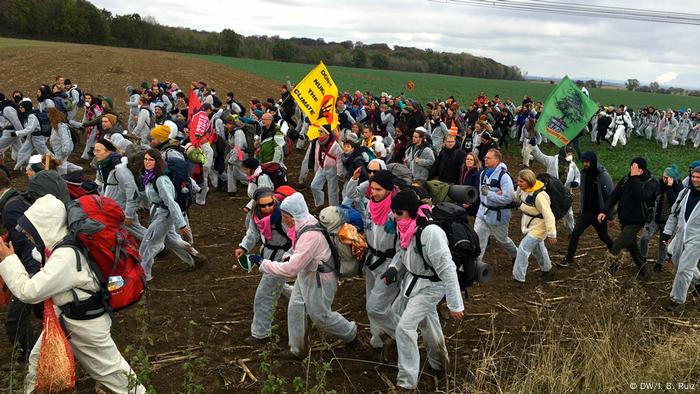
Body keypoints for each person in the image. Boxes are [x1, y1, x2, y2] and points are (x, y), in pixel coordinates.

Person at [0, 194, 146, 394]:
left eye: (30, 229)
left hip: (83, 325)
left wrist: (8, 260)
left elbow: (28, 292)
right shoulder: (61, 245)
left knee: (113, 372)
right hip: (67, 317)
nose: (26, 234)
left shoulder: (66, 257)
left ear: (44, 226)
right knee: (39, 359)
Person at [256, 192, 358, 359]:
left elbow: (291, 270)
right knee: (296, 307)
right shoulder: (305, 222)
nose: (284, 220)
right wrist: (289, 256)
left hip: (320, 279)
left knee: (321, 317)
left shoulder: (310, 235)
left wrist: (264, 264)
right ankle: (297, 349)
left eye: (285, 216)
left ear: (293, 215)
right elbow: (300, 255)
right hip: (308, 274)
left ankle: (350, 333)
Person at [384, 189, 463, 390]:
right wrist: (394, 268)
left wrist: (455, 304)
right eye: (393, 211)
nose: (394, 216)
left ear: (410, 211)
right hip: (413, 281)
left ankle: (407, 382)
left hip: (431, 286)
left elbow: (448, 268)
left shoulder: (431, 233)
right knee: (424, 323)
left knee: (404, 328)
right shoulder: (406, 227)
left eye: (398, 212)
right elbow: (402, 252)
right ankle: (440, 364)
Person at [234, 188, 293, 342]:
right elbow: (252, 233)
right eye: (263, 205)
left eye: (270, 204)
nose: (267, 208)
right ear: (256, 205)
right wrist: (243, 247)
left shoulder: (282, 215)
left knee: (264, 294)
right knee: (277, 286)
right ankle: (304, 301)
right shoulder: (255, 216)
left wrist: (290, 257)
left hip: (281, 256)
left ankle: (261, 334)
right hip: (267, 253)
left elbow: (295, 236)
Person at [139, 149, 200, 281]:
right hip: (158, 213)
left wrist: (182, 224)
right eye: (145, 159)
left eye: (151, 160)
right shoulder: (150, 176)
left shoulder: (161, 180)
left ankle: (144, 275)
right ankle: (194, 258)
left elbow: (171, 203)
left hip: (164, 215)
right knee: (171, 240)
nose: (147, 162)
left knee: (149, 243)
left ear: (157, 162)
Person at [357, 170, 402, 351]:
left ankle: (402, 334)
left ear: (389, 190)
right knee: (372, 300)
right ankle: (378, 338)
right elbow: (351, 196)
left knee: (376, 306)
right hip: (371, 260)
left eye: (378, 189)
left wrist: (395, 267)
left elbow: (403, 244)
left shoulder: (396, 211)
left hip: (388, 263)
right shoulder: (369, 206)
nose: (373, 192)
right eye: (372, 188)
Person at [598, 157, 658, 278]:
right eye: (632, 168)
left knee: (617, 245)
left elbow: (641, 196)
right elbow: (614, 196)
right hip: (625, 219)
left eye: (637, 169)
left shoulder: (651, 183)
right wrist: (604, 211)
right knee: (632, 247)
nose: (633, 171)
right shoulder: (626, 179)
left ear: (643, 170)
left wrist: (635, 177)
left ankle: (609, 274)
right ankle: (644, 272)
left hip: (637, 221)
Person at [561, 151, 614, 267]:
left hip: (599, 214)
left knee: (604, 236)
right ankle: (569, 258)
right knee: (575, 234)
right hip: (586, 213)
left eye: (587, 162)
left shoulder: (603, 175)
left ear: (593, 161)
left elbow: (610, 196)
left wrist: (609, 216)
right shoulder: (584, 173)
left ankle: (615, 253)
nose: (585, 164)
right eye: (584, 162)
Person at [662, 166, 700, 311]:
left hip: (697, 239)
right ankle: (698, 282)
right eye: (693, 176)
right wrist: (667, 232)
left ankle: (676, 301)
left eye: (698, 177)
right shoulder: (684, 193)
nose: (695, 179)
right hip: (680, 236)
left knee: (684, 269)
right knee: (678, 262)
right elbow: (674, 214)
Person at [93, 138, 146, 240]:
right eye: (94, 150)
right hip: (111, 204)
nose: (95, 153)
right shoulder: (102, 164)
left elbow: (131, 189)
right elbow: (100, 182)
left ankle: (158, 245)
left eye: (98, 151)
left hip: (121, 206)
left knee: (134, 228)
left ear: (108, 151)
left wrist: (129, 214)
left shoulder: (119, 168)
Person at [512, 169, 557, 283]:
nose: (519, 184)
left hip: (539, 228)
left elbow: (549, 215)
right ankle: (547, 270)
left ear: (529, 181)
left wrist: (552, 234)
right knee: (538, 249)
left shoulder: (540, 196)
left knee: (523, 249)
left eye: (521, 182)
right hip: (528, 224)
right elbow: (516, 198)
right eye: (518, 181)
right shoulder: (522, 189)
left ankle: (518, 278)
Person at [474, 149, 518, 265]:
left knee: (503, 240)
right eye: (485, 157)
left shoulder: (504, 177)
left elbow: (508, 198)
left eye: (488, 158)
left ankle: (516, 254)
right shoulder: (483, 173)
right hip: (482, 212)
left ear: (497, 160)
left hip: (498, 215)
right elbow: (481, 192)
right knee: (478, 238)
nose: (485, 159)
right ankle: (476, 264)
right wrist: (491, 194)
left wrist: (490, 194)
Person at [639, 165, 682, 273]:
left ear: (672, 178)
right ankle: (642, 258)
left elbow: (674, 204)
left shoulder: (679, 189)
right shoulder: (659, 184)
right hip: (655, 218)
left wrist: (669, 187)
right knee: (644, 238)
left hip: (668, 222)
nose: (663, 179)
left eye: (666, 178)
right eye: (663, 177)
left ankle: (659, 263)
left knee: (663, 244)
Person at [306, 126, 343, 208]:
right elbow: (316, 154)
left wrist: (339, 172)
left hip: (332, 170)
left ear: (327, 134)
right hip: (321, 168)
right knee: (314, 186)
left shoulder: (334, 145)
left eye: (321, 132)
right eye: (319, 131)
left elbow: (339, 158)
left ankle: (334, 209)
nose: (319, 133)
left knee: (332, 191)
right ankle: (319, 204)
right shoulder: (318, 142)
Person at [46, 107, 81, 175]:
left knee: (60, 164)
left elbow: (65, 139)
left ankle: (62, 176)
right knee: (62, 162)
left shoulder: (60, 127)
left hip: (61, 150)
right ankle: (78, 169)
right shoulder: (55, 125)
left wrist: (65, 150)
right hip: (58, 149)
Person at [458, 151, 481, 218]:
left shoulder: (476, 173)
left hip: (472, 203)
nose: (469, 161)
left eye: (471, 159)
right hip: (463, 199)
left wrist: (471, 204)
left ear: (475, 161)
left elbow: (477, 190)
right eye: (467, 159)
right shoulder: (463, 169)